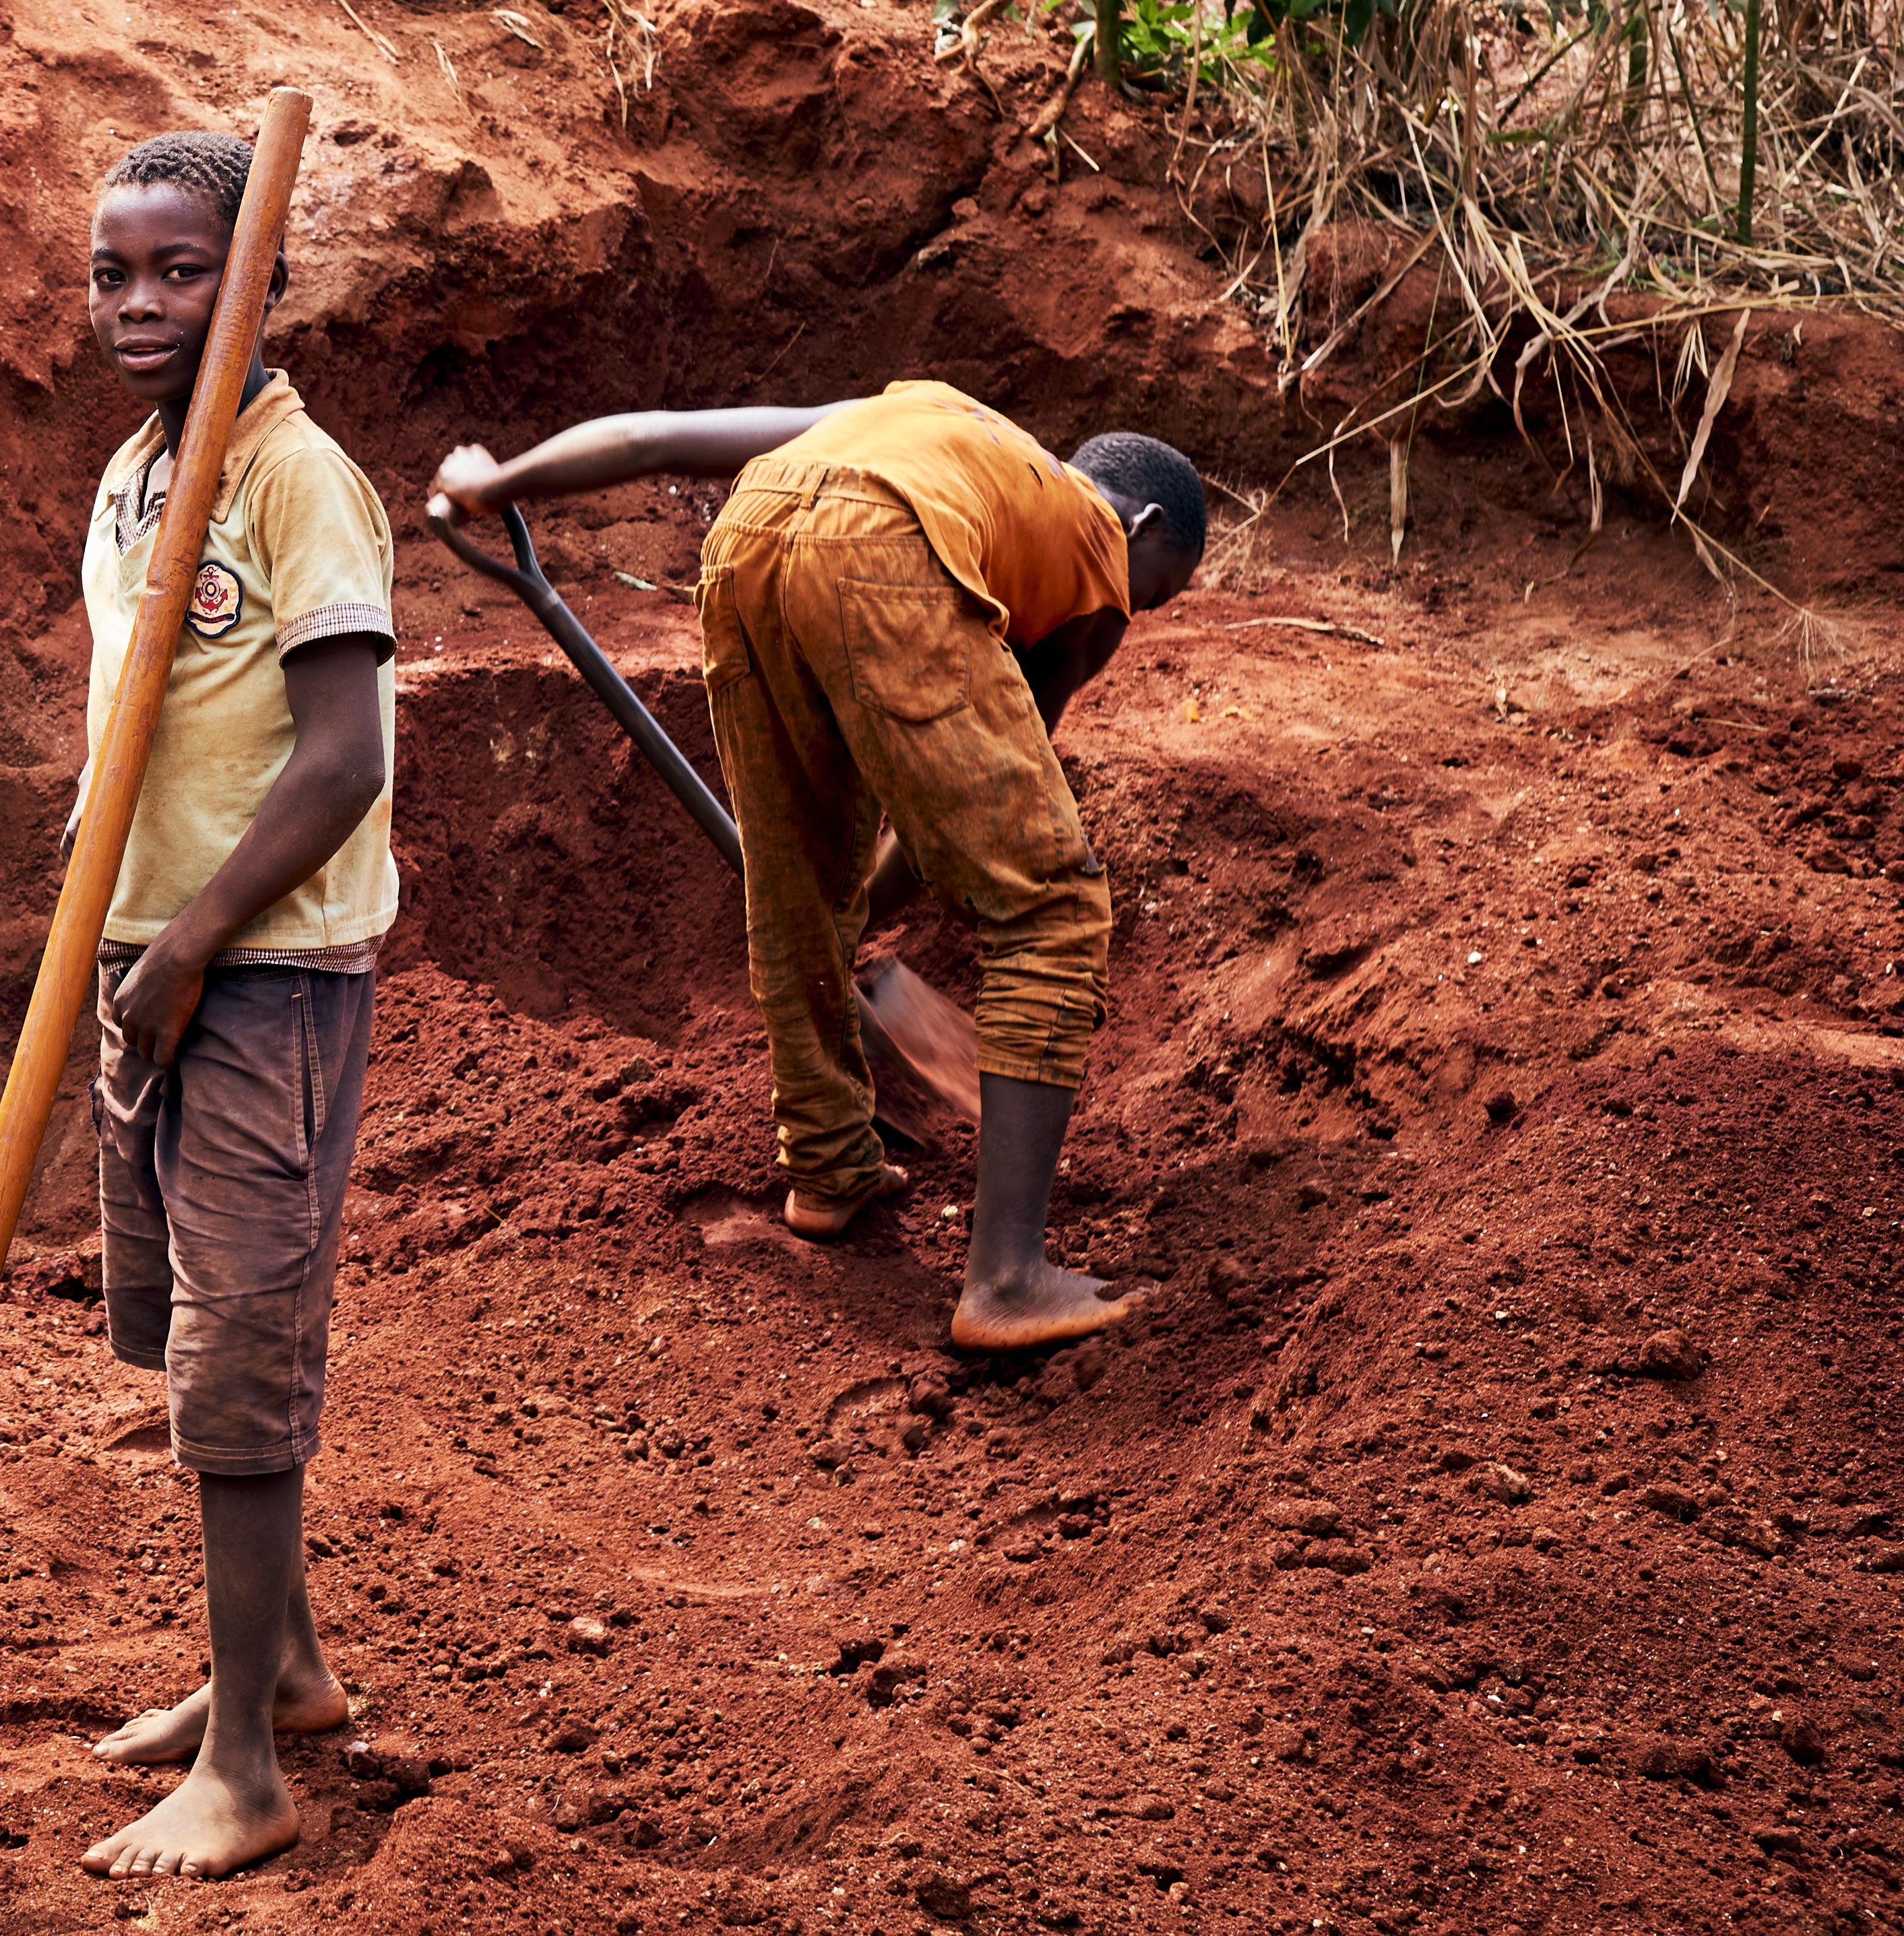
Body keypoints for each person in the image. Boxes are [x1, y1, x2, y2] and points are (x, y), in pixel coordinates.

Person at [431, 382, 1205, 1349]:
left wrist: (495, 478)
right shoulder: (1094, 548)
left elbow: (661, 433)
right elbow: (987, 814)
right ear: (1143, 521)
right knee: (1051, 906)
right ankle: (1008, 1280)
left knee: (795, 879)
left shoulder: (931, 419)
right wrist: (883, 909)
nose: (1131, 613)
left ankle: (830, 1167)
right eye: (1154, 588)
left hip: (748, 531)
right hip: (886, 552)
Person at [66, 132, 398, 1883]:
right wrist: (116, 949)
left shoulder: (295, 478)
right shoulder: (139, 475)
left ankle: (251, 1769)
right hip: (147, 963)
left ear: (259, 276)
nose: (138, 302)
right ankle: (280, 1666)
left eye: (180, 268)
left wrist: (192, 939)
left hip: (259, 976)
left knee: (239, 1365)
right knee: (185, 1334)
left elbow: (342, 759)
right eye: (112, 271)